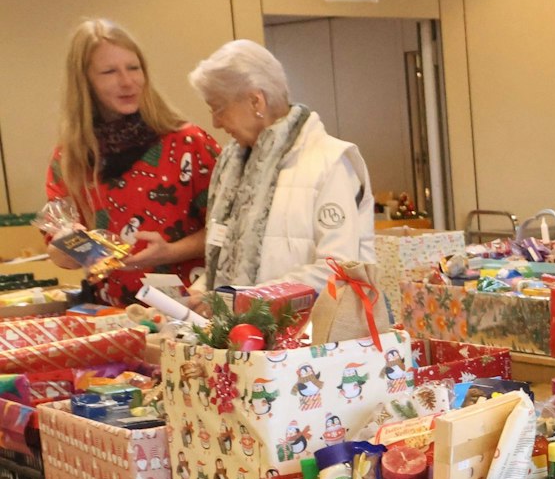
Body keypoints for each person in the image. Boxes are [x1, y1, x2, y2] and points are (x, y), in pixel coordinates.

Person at [44, 18, 218, 306]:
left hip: (188, 313)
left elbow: (230, 231)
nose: (127, 82)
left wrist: (170, 252)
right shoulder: (69, 158)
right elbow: (60, 255)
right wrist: (69, 243)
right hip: (109, 318)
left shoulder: (188, 143)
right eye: (109, 72)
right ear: (84, 82)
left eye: (133, 68)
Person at [188, 40, 375, 291]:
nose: (215, 123)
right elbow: (223, 266)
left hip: (312, 329)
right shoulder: (231, 164)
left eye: (218, 109)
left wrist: (247, 300)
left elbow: (339, 268)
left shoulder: (330, 162)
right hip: (241, 328)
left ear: (256, 101)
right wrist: (201, 295)